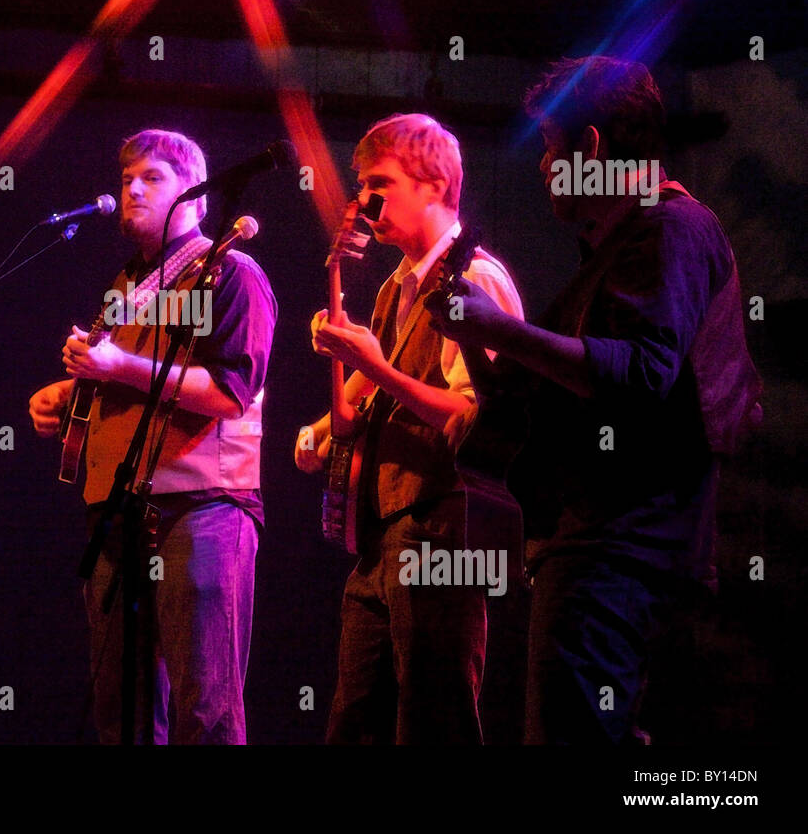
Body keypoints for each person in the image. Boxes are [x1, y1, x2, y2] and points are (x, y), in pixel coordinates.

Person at [427, 57, 761, 743]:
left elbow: (640, 375)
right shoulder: (622, 250)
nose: (545, 164)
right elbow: (531, 406)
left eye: (551, 144)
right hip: (603, 549)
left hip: (620, 553)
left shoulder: (672, 232)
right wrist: (473, 338)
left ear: (593, 149)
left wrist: (498, 327)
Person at [29, 129, 276, 744]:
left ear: (195, 197)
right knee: (123, 708)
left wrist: (118, 368)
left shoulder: (229, 271)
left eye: (152, 178)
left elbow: (228, 393)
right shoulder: (124, 286)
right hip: (117, 511)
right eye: (126, 179)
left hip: (202, 508)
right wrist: (69, 396)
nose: (132, 189)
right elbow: (135, 379)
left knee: (203, 709)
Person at [295, 113, 523, 743]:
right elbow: (348, 422)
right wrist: (348, 366)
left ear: (435, 186)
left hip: (443, 526)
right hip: (384, 531)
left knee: (434, 716)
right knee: (354, 721)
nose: (367, 202)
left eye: (382, 184)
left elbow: (481, 414)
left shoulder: (474, 280)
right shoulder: (396, 288)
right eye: (363, 185)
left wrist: (374, 368)